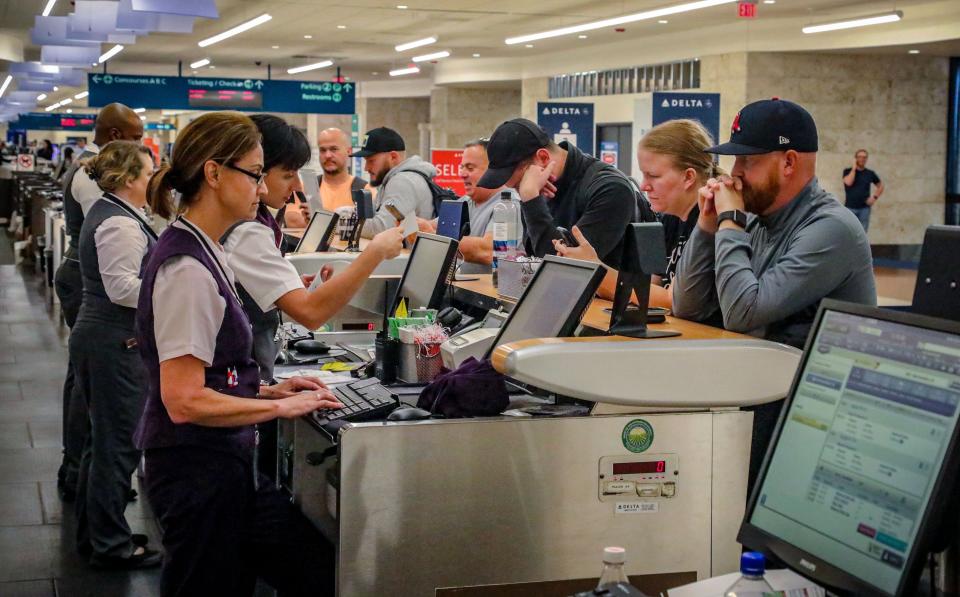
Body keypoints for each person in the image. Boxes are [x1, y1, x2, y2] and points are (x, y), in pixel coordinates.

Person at [137, 111, 343, 596]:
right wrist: (275, 407)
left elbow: (211, 373)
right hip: (195, 469)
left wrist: (269, 387)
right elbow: (184, 400)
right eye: (254, 173)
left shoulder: (206, 248)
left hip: (220, 463)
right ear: (213, 174)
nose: (262, 187)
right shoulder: (186, 268)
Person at [671, 98, 876, 486]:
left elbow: (743, 312)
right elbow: (688, 306)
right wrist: (707, 227)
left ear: (788, 162)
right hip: (763, 393)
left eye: (748, 162)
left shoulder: (830, 229)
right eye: (734, 162)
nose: (735, 175)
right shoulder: (762, 220)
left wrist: (731, 221)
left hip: (812, 417)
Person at [212, 114, 404, 381]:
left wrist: (289, 286)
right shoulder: (245, 232)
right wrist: (376, 252)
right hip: (238, 379)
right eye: (288, 175)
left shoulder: (248, 224)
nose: (296, 187)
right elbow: (311, 313)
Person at [69, 141, 161, 569]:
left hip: (101, 338)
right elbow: (122, 287)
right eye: (147, 173)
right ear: (128, 179)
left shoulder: (114, 214)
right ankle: (111, 545)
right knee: (118, 447)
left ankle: (97, 536)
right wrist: (174, 290)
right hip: (113, 341)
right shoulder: (119, 224)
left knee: (101, 442)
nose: (152, 179)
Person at [53, 102, 143, 502]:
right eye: (138, 140)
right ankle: (81, 473)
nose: (145, 149)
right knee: (89, 385)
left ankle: (86, 475)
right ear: (115, 138)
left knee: (85, 381)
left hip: (86, 280)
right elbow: (111, 240)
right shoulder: (96, 176)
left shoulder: (93, 168)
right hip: (90, 288)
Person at [554, 119, 719, 310]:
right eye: (643, 175)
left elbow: (672, 300)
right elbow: (648, 292)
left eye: (654, 176)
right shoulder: (670, 219)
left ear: (688, 177)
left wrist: (595, 268)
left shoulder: (709, 220)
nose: (643, 186)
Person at [476, 118, 639, 268]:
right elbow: (535, 259)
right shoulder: (542, 187)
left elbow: (560, 269)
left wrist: (531, 199)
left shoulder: (610, 189)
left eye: (519, 184)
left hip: (612, 299)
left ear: (543, 157)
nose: (521, 190)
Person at [417, 138, 523, 273]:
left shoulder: (509, 205)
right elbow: (432, 227)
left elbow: (489, 251)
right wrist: (413, 227)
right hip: (460, 291)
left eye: (470, 168)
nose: (462, 174)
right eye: (462, 167)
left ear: (493, 170)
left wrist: (432, 236)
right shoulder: (465, 201)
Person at [351, 126, 437, 237]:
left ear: (393, 157)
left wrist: (342, 219)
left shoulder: (402, 182)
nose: (366, 168)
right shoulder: (396, 180)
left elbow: (382, 229)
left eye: (371, 160)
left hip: (412, 254)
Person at [842, 148, 884, 232]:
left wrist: (874, 197)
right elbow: (848, 182)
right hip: (850, 208)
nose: (862, 159)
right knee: (848, 232)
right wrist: (854, 168)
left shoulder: (870, 173)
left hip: (864, 209)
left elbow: (881, 186)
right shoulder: (847, 171)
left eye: (864, 157)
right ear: (855, 158)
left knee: (862, 233)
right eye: (860, 157)